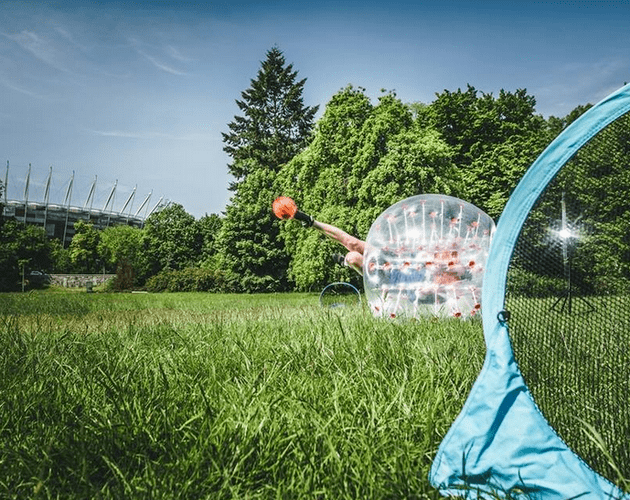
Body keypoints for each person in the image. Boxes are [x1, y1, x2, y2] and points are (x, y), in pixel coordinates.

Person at [272, 196, 365, 275]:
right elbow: (351, 242)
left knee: (352, 257)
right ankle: (346, 261)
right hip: (377, 258)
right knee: (353, 250)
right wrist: (308, 221)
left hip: (378, 273)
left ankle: (346, 261)